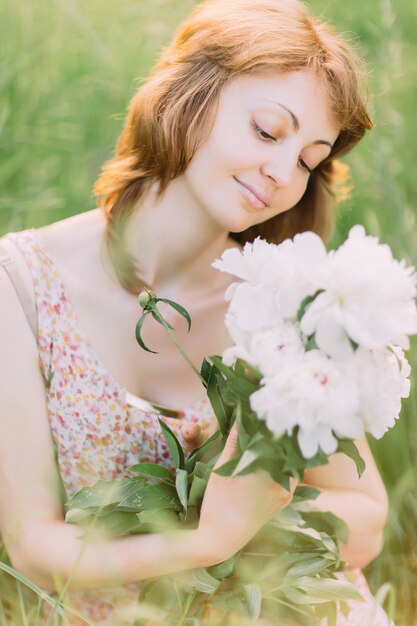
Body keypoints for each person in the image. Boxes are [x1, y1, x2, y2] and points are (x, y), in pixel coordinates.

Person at [0, 0, 392, 624]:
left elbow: (367, 516)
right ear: (188, 95)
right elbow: (33, 545)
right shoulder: (18, 282)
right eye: (268, 130)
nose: (281, 172)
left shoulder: (280, 298)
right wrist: (208, 541)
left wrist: (261, 530)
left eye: (307, 160)